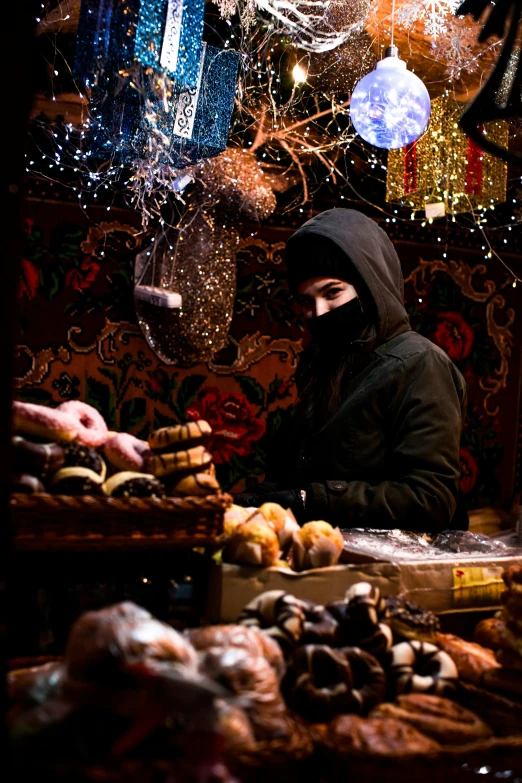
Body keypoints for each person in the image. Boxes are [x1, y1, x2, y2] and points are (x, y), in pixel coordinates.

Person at [234, 208, 468, 532]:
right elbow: (299, 478)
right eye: (306, 301)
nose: (319, 312)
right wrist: (244, 504)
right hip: (322, 555)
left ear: (370, 287)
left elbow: (431, 500)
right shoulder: (322, 365)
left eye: (332, 293)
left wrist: (309, 500)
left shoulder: (418, 364)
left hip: (388, 572)